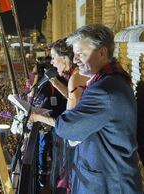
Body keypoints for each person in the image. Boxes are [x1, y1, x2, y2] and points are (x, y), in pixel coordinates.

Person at [39, 24, 142, 193]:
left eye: (81, 54)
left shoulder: (104, 91)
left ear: (102, 52)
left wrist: (72, 98)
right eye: (75, 54)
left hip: (108, 185)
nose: (76, 59)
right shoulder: (110, 80)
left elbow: (66, 128)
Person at [31, 38, 88, 193]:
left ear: (64, 58)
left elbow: (67, 125)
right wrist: (55, 82)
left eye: (54, 58)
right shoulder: (75, 75)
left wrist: (37, 117)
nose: (53, 63)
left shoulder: (75, 78)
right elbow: (71, 98)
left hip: (84, 146)